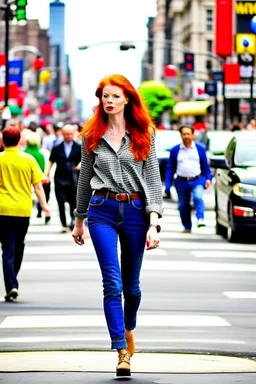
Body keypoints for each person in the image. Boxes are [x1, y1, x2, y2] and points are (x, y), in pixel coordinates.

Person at [71, 74, 163, 377]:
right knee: (111, 282)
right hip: (102, 210)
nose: (108, 101)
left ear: (127, 99)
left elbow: (152, 179)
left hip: (137, 211)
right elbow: (84, 181)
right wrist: (79, 220)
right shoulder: (91, 136)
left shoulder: (145, 133)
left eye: (114, 96)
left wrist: (154, 223)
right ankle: (121, 350)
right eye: (104, 97)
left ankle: (128, 327)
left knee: (132, 288)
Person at [0, 126, 50, 302]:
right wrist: (45, 206)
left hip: (2, 209)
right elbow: (38, 186)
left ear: (2, 140)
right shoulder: (28, 159)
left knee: (7, 248)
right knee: (19, 245)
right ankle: (13, 280)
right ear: (20, 139)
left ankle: (11, 283)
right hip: (23, 209)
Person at [165, 125, 212, 232]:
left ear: (193, 135)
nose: (186, 136)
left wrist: (208, 178)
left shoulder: (200, 148)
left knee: (198, 197)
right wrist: (168, 184)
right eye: (184, 134)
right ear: (181, 135)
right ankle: (187, 226)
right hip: (181, 181)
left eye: (188, 134)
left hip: (197, 179)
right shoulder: (175, 150)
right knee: (183, 205)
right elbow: (170, 167)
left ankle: (200, 218)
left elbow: (205, 166)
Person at [44, 124, 81, 233]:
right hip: (60, 179)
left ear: (73, 134)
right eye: (66, 134)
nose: (68, 136)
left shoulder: (79, 147)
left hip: (74, 179)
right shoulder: (56, 148)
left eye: (70, 134)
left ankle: (72, 221)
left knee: (73, 202)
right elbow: (51, 161)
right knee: (60, 201)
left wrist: (80, 165)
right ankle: (64, 224)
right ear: (62, 134)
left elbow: (86, 160)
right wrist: (46, 174)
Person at [24, 131, 51, 223]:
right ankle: (44, 210)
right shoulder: (43, 153)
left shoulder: (23, 154)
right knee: (44, 194)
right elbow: (47, 166)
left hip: (26, 180)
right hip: (41, 178)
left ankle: (35, 212)